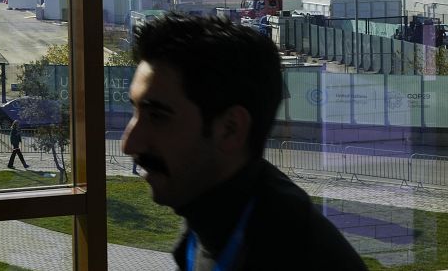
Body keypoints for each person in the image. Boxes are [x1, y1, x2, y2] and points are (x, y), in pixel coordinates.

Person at [122, 14, 367, 271]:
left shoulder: (289, 253)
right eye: (136, 112)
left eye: (157, 117)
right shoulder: (212, 213)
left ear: (230, 129)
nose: (129, 145)